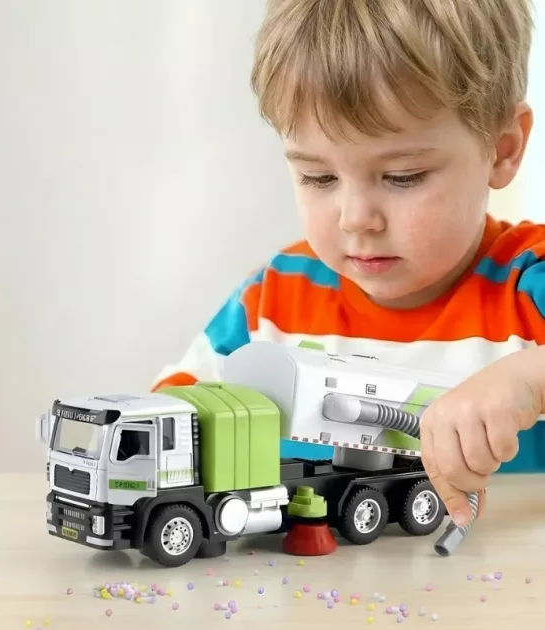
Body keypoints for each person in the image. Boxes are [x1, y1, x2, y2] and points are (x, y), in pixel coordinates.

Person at [151, 0, 545, 529]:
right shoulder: (273, 303)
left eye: (402, 177)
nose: (356, 219)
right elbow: (171, 421)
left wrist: (529, 381)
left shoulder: (529, 285)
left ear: (503, 149)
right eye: (319, 178)